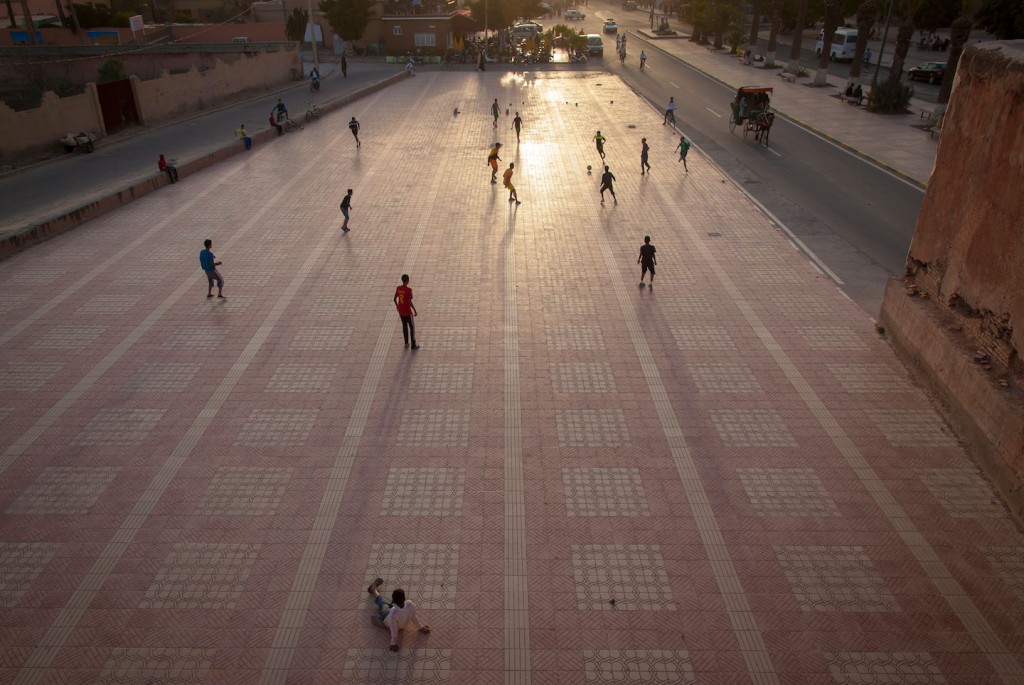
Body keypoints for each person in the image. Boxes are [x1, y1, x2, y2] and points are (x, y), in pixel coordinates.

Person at [367, 579, 431, 652]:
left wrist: (393, 644)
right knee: (386, 604)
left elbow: (394, 629)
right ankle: (376, 593)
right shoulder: (410, 604)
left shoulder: (393, 613)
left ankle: (374, 590)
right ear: (404, 598)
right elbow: (414, 617)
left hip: (387, 617)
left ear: (394, 601)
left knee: (383, 602)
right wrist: (421, 627)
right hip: (393, 619)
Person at [394, 274, 419, 350]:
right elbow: (409, 302)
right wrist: (414, 310)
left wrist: (398, 306)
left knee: (404, 326)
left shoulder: (398, 288)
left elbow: (394, 299)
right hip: (408, 312)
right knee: (412, 327)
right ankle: (413, 345)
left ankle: (406, 343)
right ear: (407, 281)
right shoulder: (409, 290)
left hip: (401, 311)